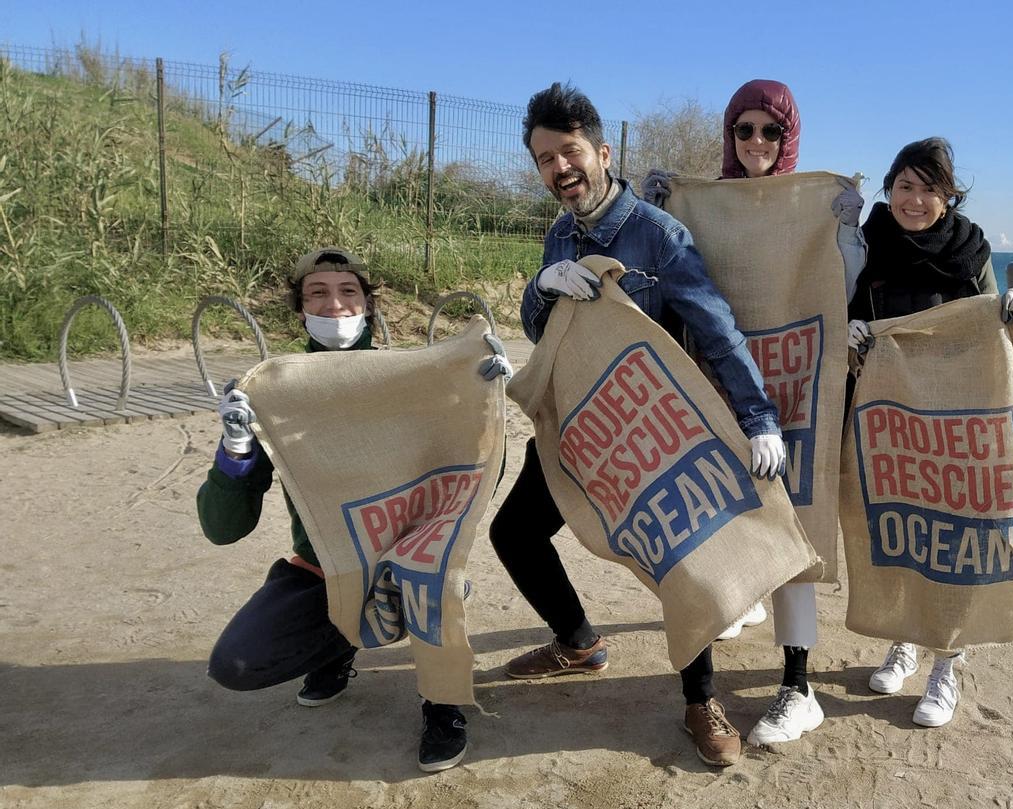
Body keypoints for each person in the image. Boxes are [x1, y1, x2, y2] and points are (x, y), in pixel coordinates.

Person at [490, 82, 786, 768]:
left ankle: (699, 700)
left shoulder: (659, 233)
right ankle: (577, 641)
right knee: (515, 531)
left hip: (659, 425)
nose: (559, 168)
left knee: (684, 557)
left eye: (569, 152)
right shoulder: (559, 234)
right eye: (543, 159)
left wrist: (759, 419)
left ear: (602, 151)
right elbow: (545, 331)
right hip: (585, 421)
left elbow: (716, 330)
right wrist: (542, 289)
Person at [198, 246, 512, 773]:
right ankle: (335, 649)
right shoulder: (278, 391)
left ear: (369, 306)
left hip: (413, 555)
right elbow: (224, 529)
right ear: (300, 310)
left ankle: (443, 704)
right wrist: (235, 451)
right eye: (317, 294)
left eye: (348, 292)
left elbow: (476, 481)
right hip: (328, 562)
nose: (335, 305)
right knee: (236, 664)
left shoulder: (413, 376)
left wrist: (483, 409)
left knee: (434, 582)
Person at [642, 79, 867, 747]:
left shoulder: (812, 209)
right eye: (745, 130)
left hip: (794, 388)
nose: (758, 143)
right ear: (730, 137)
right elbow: (666, 277)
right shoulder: (702, 208)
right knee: (721, 517)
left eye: (771, 131)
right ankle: (733, 611)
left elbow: (842, 288)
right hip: (716, 384)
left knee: (794, 528)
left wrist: (846, 229)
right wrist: (653, 211)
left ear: (789, 135)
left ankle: (799, 686)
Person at [845, 137, 1013, 728]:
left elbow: (986, 329)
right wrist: (852, 331)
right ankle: (904, 639)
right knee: (899, 526)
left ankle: (946, 666)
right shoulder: (864, 243)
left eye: (930, 188)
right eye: (905, 185)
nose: (916, 199)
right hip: (889, 418)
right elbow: (842, 304)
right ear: (889, 188)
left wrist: (1011, 311)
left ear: (948, 197)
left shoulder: (970, 250)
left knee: (955, 535)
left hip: (957, 421)